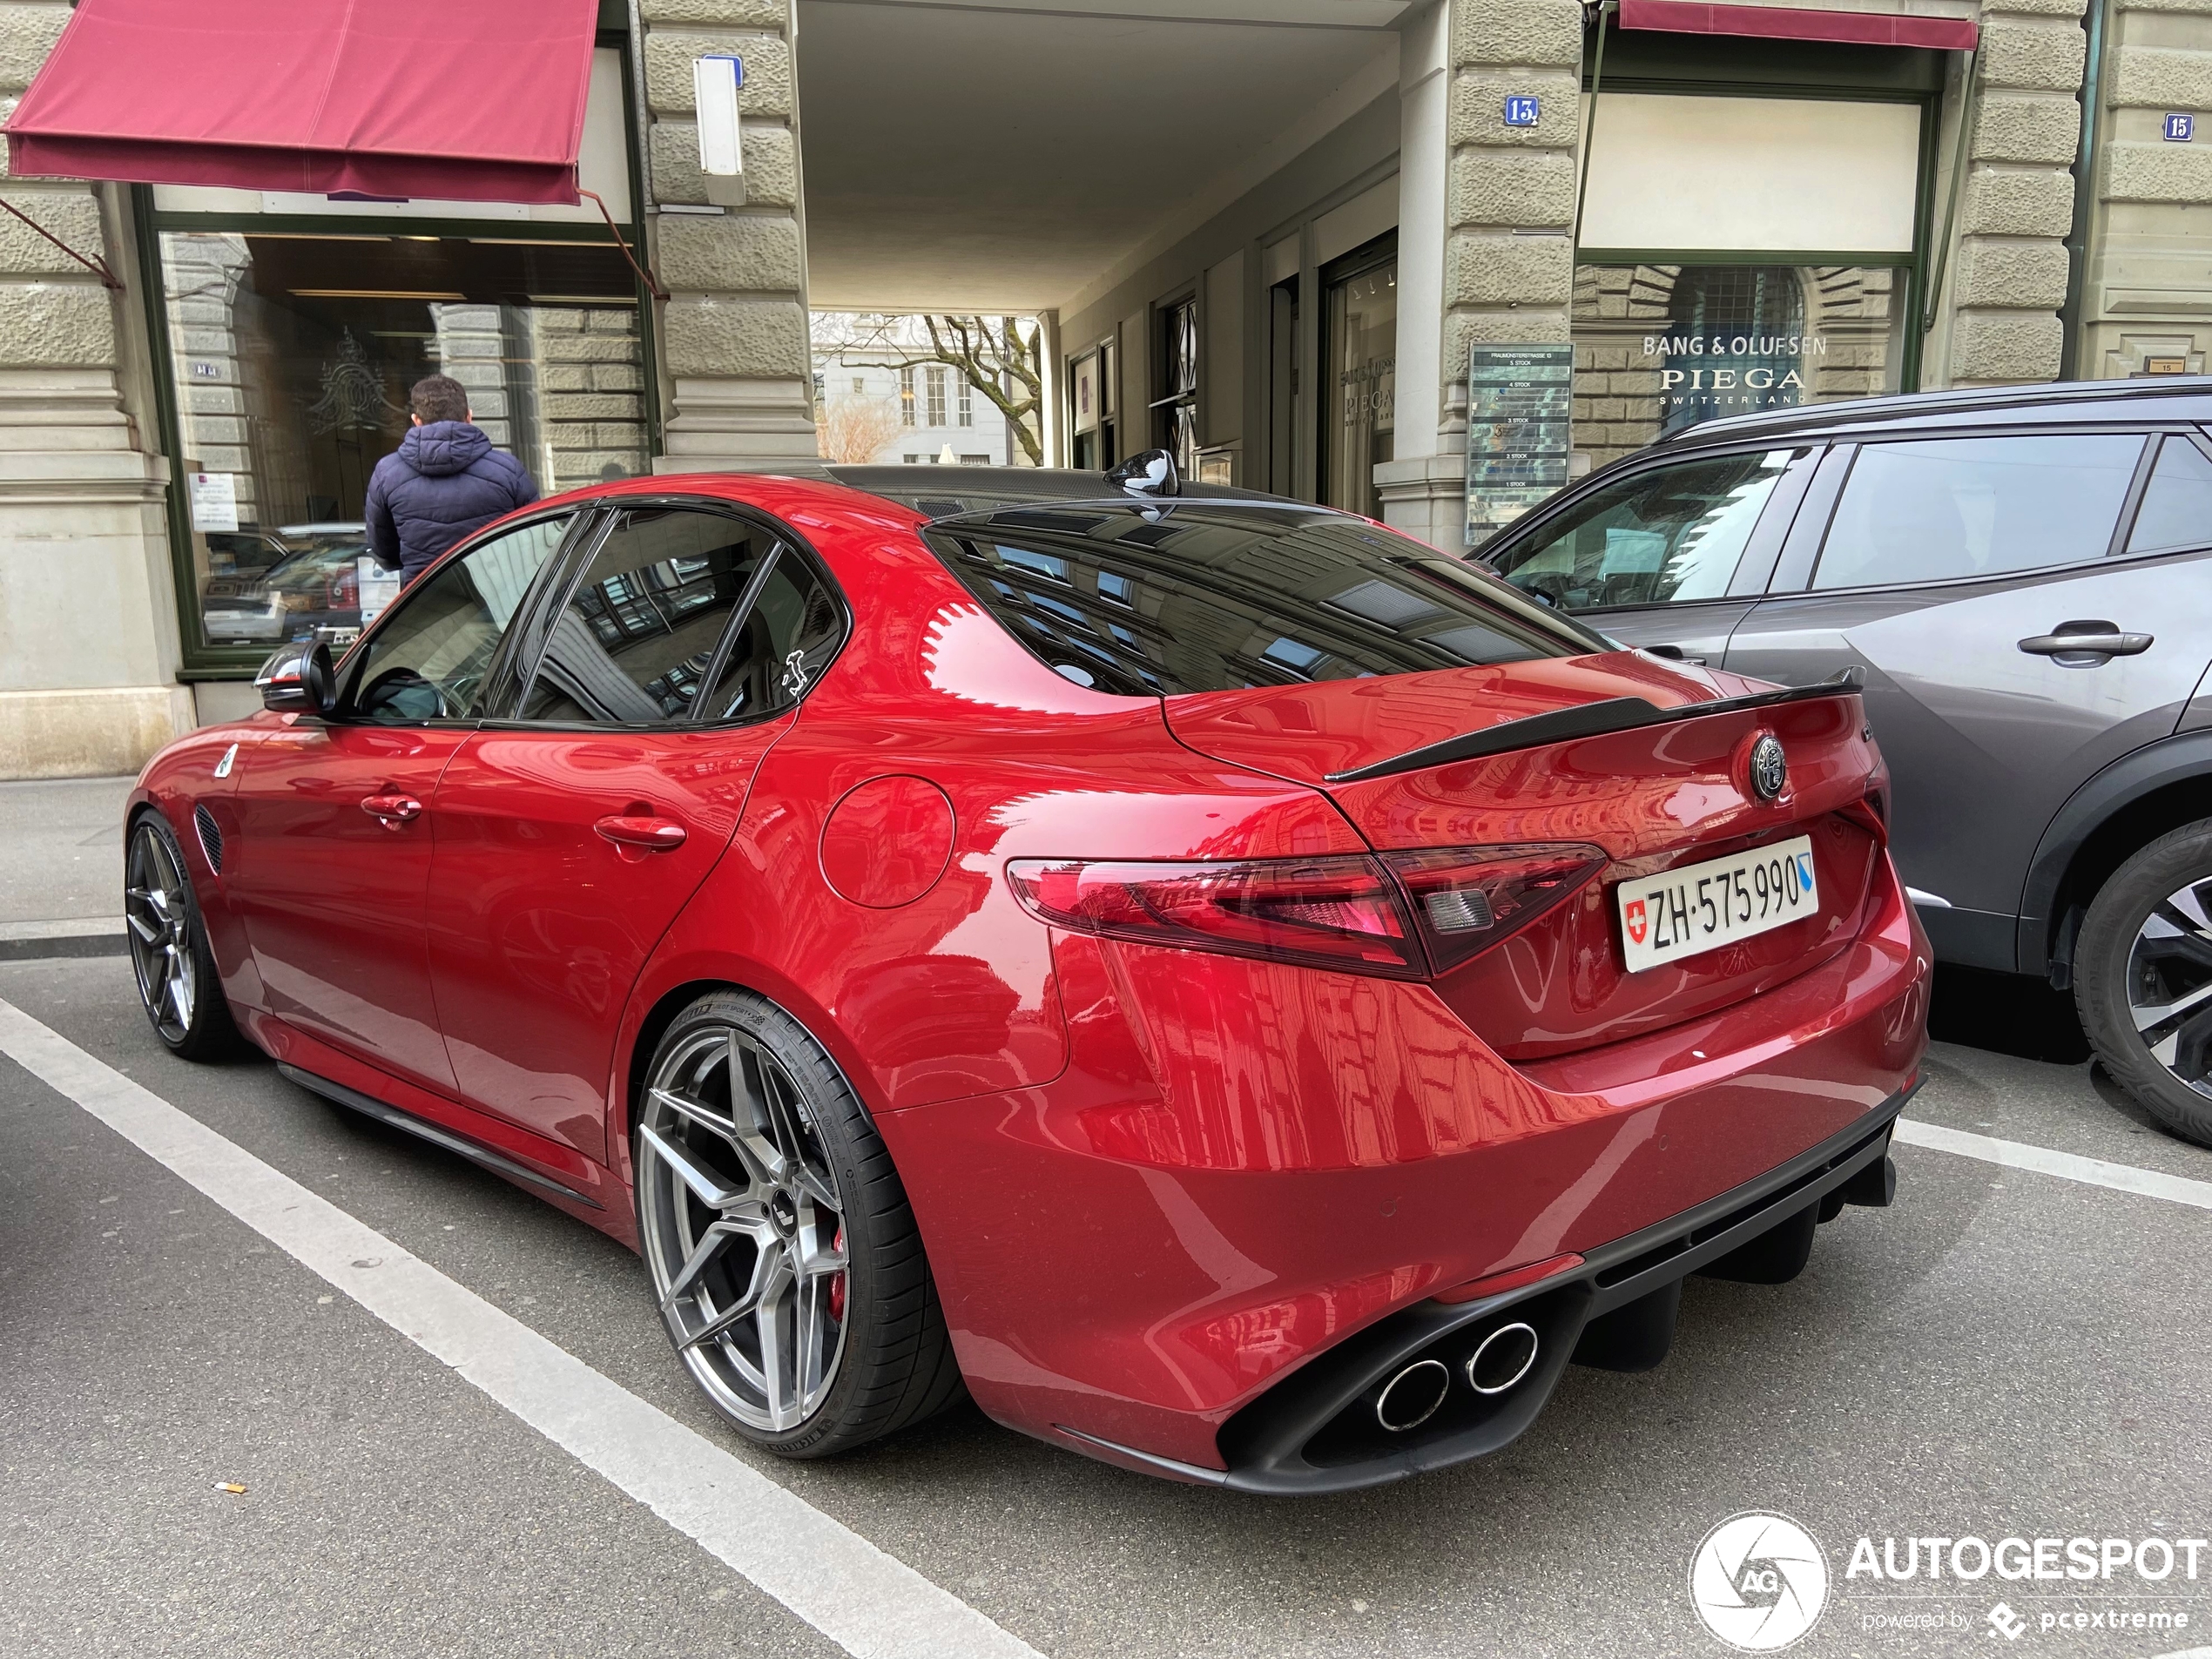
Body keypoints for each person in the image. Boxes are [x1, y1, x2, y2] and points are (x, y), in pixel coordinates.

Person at [366, 374, 539, 585]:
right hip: (498, 597)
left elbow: (383, 550)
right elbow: (536, 537)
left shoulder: (387, 473)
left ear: (416, 421)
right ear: (469, 416)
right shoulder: (507, 469)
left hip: (423, 601)